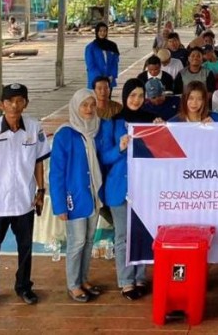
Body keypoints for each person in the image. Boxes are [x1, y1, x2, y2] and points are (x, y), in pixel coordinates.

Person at [0, 84, 50, 311]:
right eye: (10, 101)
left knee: (25, 247)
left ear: (26, 103)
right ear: (1, 104)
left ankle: (24, 286)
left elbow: (38, 161)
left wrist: (41, 191)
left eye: (20, 100)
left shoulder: (34, 128)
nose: (15, 105)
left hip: (24, 201)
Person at [99, 79, 155, 300]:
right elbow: (104, 157)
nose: (136, 100)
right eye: (132, 95)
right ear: (124, 97)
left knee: (142, 234)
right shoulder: (112, 123)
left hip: (144, 188)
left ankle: (140, 276)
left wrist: (160, 127)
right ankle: (126, 280)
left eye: (140, 96)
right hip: (119, 188)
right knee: (123, 236)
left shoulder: (151, 121)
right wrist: (120, 148)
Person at [50, 89, 104, 303]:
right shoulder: (66, 133)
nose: (89, 109)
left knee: (89, 240)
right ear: (75, 107)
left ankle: (83, 278)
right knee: (77, 241)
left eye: (92, 105)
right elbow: (56, 173)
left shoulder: (95, 129)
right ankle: (73, 285)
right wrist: (60, 205)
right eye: (84, 105)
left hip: (92, 195)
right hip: (75, 198)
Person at [85, 22, 120, 89]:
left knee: (108, 98)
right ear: (97, 32)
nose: (102, 33)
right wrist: (101, 78)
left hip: (109, 79)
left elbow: (115, 63)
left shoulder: (112, 46)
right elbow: (91, 65)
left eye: (104, 31)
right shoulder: (90, 47)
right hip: (96, 80)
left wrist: (112, 75)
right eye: (100, 31)